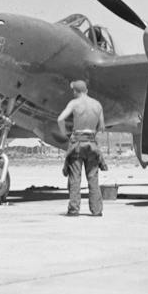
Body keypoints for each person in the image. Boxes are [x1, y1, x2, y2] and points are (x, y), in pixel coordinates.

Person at [57, 80, 106, 217]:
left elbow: (60, 119)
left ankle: (74, 209)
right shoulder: (97, 105)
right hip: (92, 143)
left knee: (75, 179)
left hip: (77, 143)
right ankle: (96, 210)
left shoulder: (74, 103)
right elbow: (102, 126)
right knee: (93, 178)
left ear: (75, 91)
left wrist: (64, 134)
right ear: (87, 91)